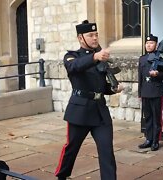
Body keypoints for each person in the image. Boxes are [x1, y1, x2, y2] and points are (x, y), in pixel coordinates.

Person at [55, 20, 123, 180]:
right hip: (80, 111)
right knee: (72, 148)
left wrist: (112, 89)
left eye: (96, 35)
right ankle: (61, 176)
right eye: (90, 35)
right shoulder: (72, 56)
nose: (95, 38)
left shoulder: (100, 59)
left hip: (100, 112)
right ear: (80, 38)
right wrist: (95, 57)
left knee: (107, 150)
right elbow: (74, 67)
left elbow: (100, 86)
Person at [138, 34, 163, 151]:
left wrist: (158, 74)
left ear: (156, 45)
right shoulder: (142, 58)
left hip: (156, 91)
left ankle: (156, 141)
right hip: (145, 91)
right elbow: (140, 77)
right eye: (147, 43)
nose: (148, 45)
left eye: (151, 43)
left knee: (156, 117)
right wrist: (140, 93)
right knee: (148, 117)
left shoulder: (161, 58)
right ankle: (148, 139)